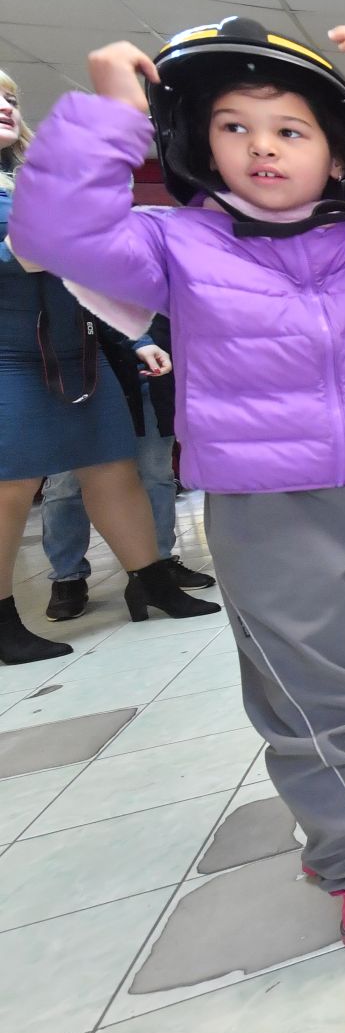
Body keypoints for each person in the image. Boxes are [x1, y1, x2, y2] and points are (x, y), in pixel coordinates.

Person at [12, 17, 345, 947]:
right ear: (201, 144)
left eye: (291, 129)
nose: (263, 147)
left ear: (337, 153)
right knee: (311, 690)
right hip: (267, 503)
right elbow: (54, 230)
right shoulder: (174, 246)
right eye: (236, 127)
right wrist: (113, 112)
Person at [2, 72, 221, 664]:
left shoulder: (24, 180)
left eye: (11, 99)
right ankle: (1, 621)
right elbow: (31, 252)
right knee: (11, 488)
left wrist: (138, 335)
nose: (4, 106)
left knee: (112, 469)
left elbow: (83, 276)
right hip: (9, 362)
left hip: (80, 358)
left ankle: (150, 583)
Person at [40, 314, 215, 622]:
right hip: (77, 369)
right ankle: (68, 577)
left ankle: (158, 565)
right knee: (66, 483)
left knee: (157, 474)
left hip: (150, 366)